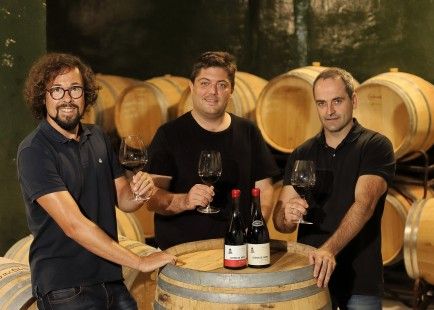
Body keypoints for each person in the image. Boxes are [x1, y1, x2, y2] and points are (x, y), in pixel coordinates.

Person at [17, 53, 176, 309]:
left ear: (86, 94)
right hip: (66, 287)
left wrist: (140, 192)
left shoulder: (98, 137)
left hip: (111, 278)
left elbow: (124, 200)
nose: (67, 98)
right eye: (56, 90)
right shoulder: (35, 150)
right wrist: (140, 261)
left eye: (75, 89)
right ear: (42, 97)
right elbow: (73, 225)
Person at [272, 67, 395, 309]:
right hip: (311, 276)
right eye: (321, 103)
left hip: (360, 280)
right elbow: (280, 221)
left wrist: (328, 250)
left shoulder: (375, 146)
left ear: (354, 100)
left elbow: (365, 204)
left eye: (337, 101)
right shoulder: (302, 152)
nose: (329, 111)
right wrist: (287, 215)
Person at [147, 51, 280, 250]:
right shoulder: (169, 134)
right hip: (182, 254)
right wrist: (185, 200)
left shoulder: (248, 131)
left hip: (237, 249)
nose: (213, 92)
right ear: (191, 87)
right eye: (205, 83)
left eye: (222, 85)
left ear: (231, 90)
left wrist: (256, 225)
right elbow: (152, 198)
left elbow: (265, 188)